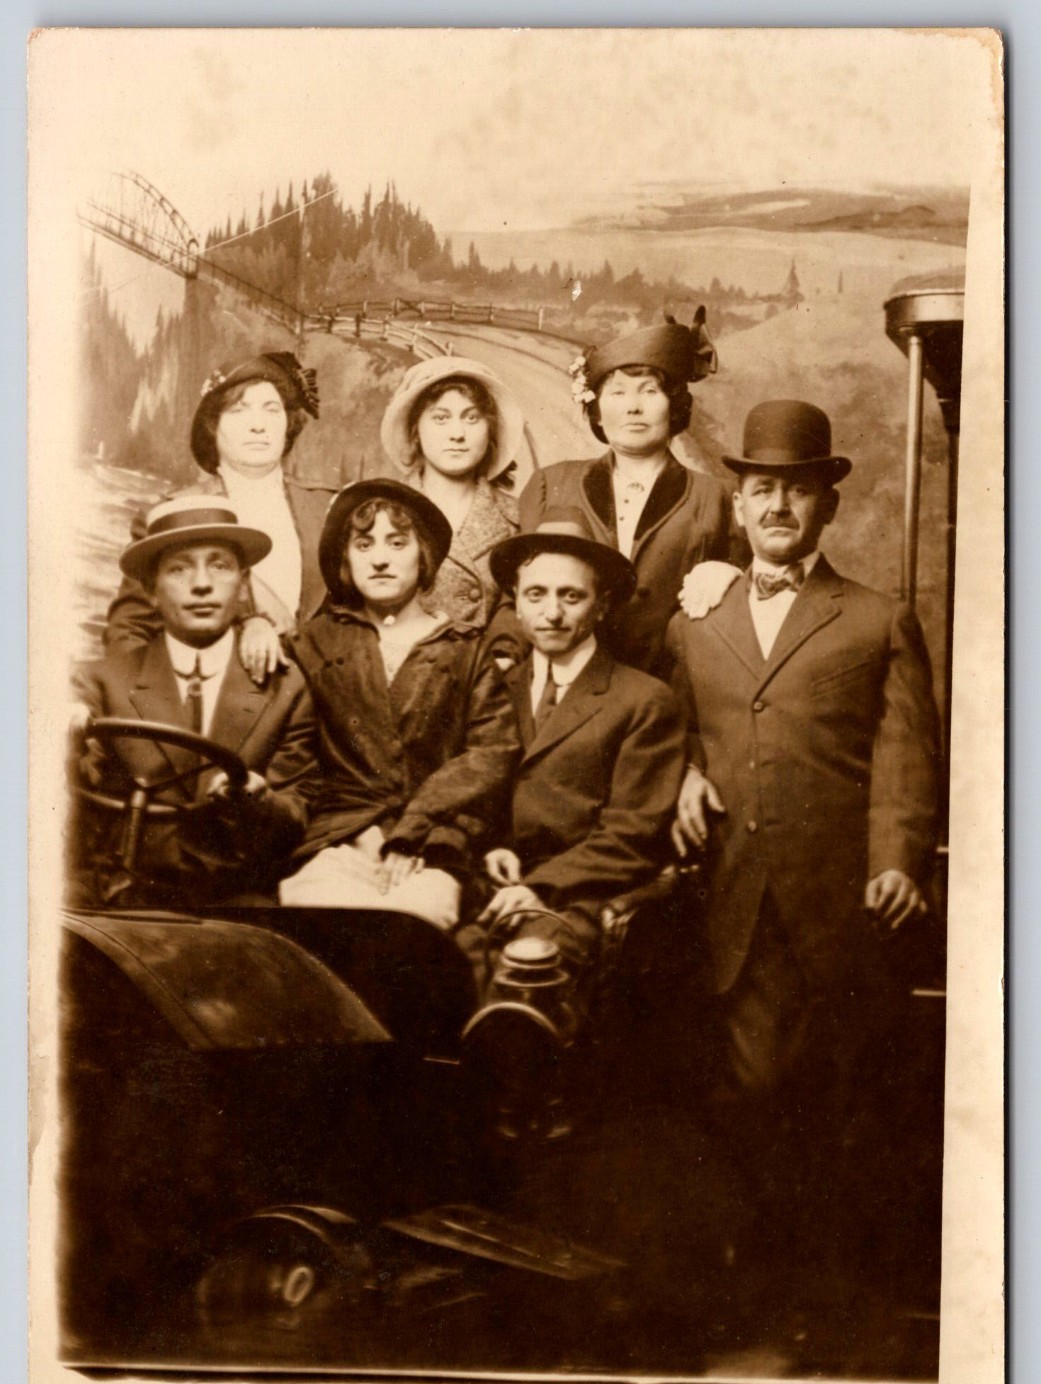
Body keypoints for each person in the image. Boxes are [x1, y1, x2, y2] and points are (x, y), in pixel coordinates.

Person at [666, 400, 942, 1256]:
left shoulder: (875, 618)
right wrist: (683, 774)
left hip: (838, 903)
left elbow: (905, 753)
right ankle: (751, 1271)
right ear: (738, 504)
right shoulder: (693, 621)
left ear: (827, 505)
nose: (777, 506)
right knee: (737, 1091)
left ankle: (818, 1280)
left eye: (796, 490)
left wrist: (896, 862)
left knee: (837, 1098)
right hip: (726, 891)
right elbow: (670, 729)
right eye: (761, 490)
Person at [278, 480, 521, 930]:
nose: (380, 559)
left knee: (414, 923)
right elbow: (293, 758)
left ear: (423, 555)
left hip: (435, 844)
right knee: (318, 915)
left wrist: (414, 830)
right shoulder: (312, 644)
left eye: (397, 542)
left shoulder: (467, 649)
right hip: (338, 839)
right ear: (346, 558)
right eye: (364, 544)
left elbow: (490, 755)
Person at [463, 506, 686, 973]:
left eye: (571, 596)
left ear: (601, 605)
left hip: (581, 894)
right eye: (537, 594)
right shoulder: (493, 689)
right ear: (515, 603)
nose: (552, 613)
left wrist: (540, 887)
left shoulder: (644, 700)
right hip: (491, 884)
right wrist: (493, 848)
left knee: (522, 970)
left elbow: (632, 835)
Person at [70, 495, 317, 910]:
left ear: (243, 584)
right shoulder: (100, 682)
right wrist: (64, 733)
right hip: (118, 895)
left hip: (234, 902)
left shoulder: (287, 689)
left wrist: (259, 800)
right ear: (150, 590)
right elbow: (67, 781)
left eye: (219, 565)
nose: (201, 584)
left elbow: (296, 814)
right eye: (179, 568)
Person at [518, 315, 742, 675]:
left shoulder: (717, 497)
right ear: (597, 411)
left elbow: (753, 605)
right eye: (618, 392)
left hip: (673, 688)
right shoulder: (551, 484)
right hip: (566, 685)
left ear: (675, 405)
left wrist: (732, 574)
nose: (633, 407)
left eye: (649, 391)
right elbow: (515, 595)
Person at [104, 350, 333, 682]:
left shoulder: (327, 507)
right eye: (239, 410)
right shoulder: (171, 513)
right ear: (213, 425)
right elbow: (129, 631)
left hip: (318, 701)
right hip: (213, 699)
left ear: (288, 423)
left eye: (271, 409)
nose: (258, 425)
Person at [379, 354, 526, 659]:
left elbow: (523, 607)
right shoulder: (380, 513)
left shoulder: (518, 518)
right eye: (441, 418)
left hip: (492, 676)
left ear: (490, 429)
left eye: (472, 418)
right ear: (415, 430)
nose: (457, 434)